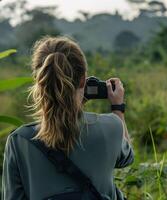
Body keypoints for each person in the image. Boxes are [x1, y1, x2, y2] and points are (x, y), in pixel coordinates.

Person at [2, 36, 134, 200]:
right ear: (83, 80)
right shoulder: (111, 126)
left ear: (39, 80)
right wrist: (118, 109)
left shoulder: (19, 140)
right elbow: (126, 158)